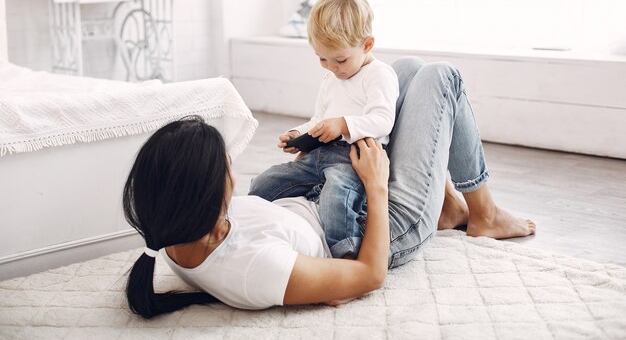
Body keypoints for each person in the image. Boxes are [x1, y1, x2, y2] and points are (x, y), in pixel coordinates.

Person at [122, 57, 535, 319]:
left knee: (402, 71)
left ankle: (445, 208)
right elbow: (367, 275)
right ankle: (484, 215)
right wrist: (375, 187)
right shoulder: (254, 270)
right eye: (227, 168)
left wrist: (312, 157)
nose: (233, 170)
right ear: (207, 197)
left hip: (326, 192)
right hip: (372, 224)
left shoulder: (173, 234)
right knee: (441, 78)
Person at [248, 0, 399, 258]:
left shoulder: (379, 75)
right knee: (266, 181)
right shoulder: (331, 79)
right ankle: (249, 224)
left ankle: (345, 255)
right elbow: (319, 120)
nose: (331, 68)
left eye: (340, 60)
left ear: (367, 45)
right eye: (322, 59)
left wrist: (342, 125)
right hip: (318, 154)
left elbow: (382, 121)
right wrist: (299, 134)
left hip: (353, 159)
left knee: (336, 198)